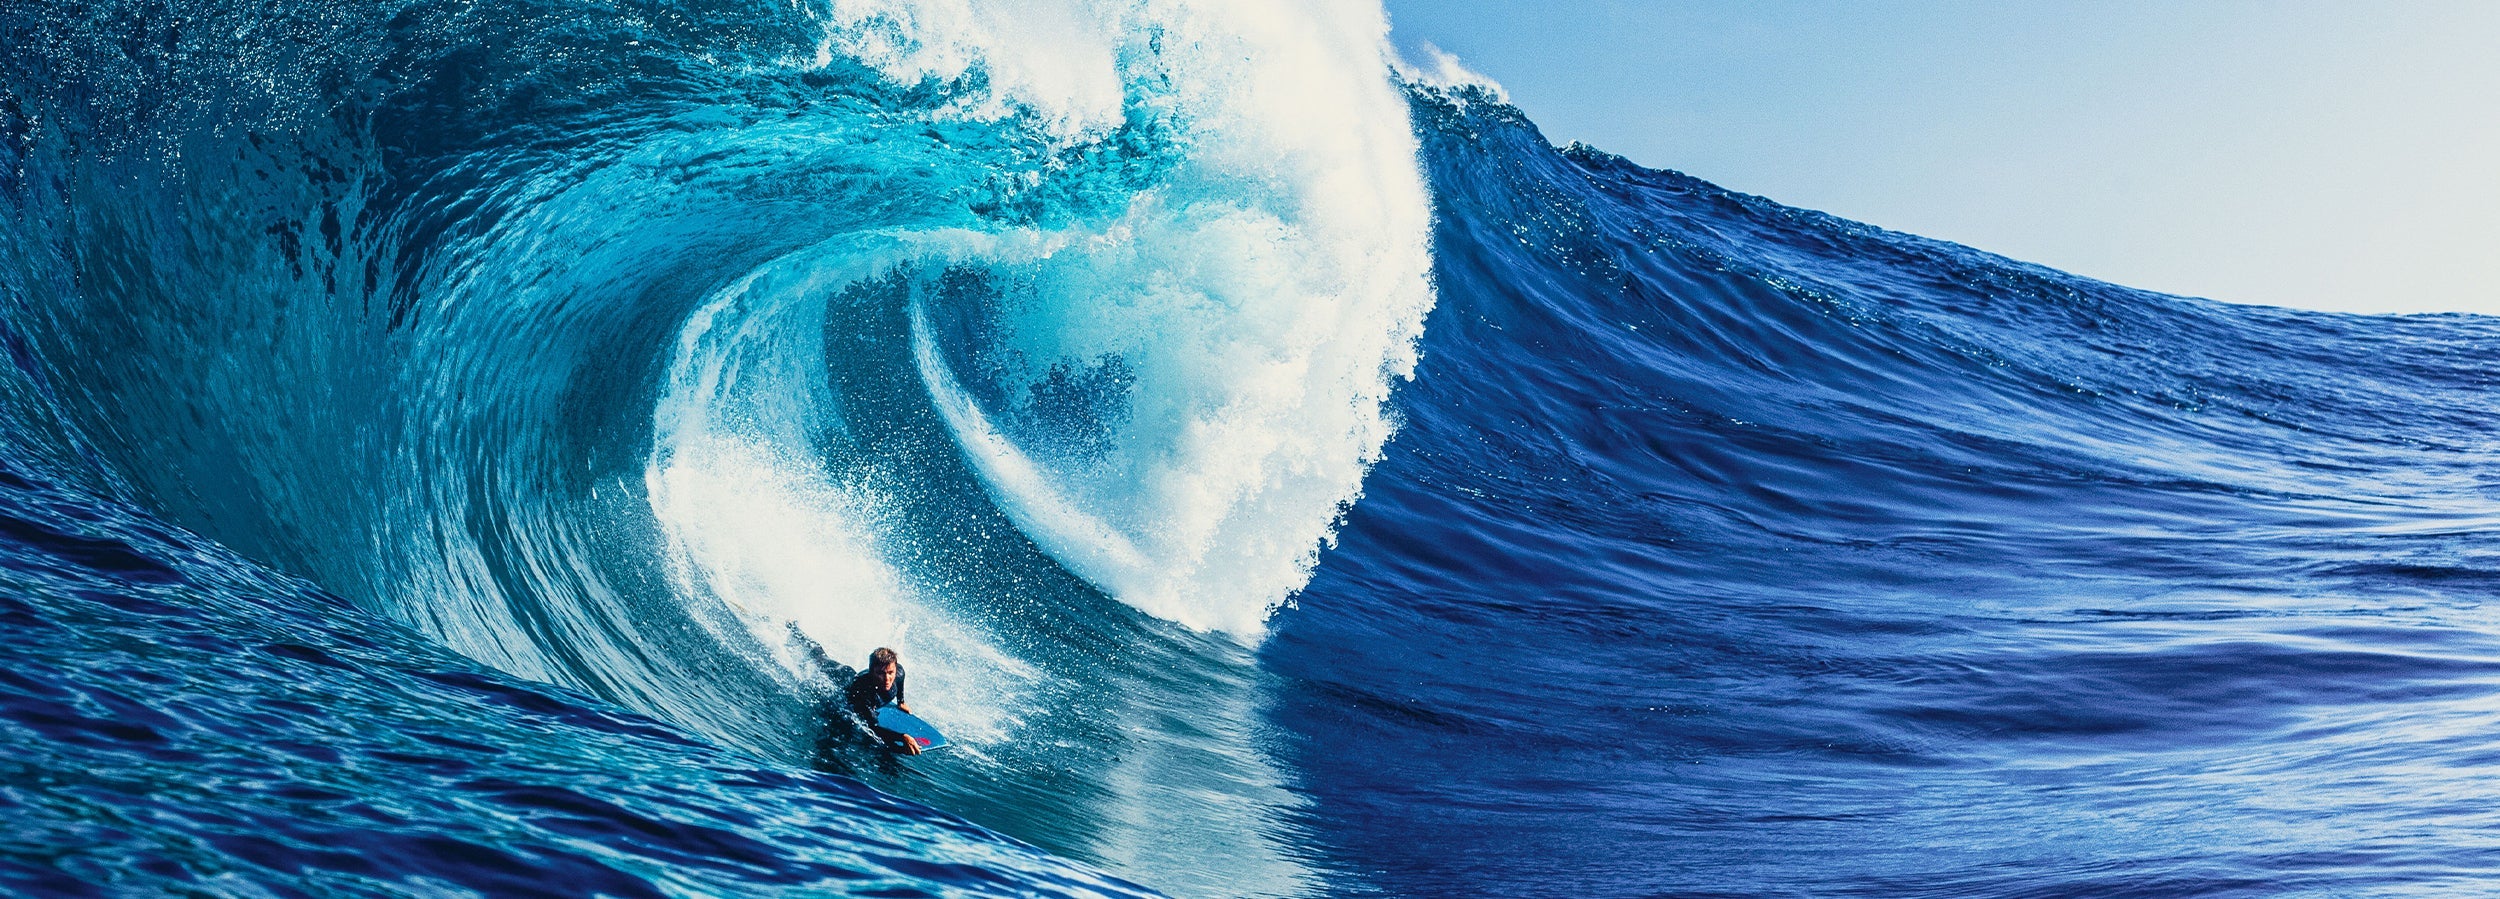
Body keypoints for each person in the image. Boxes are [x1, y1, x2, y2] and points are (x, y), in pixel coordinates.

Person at [845, 646, 919, 755]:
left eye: (890, 672)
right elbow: (873, 728)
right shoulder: (864, 693)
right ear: (871, 672)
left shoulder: (898, 672)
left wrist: (901, 702)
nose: (887, 679)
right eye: (880, 673)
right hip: (845, 679)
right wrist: (902, 737)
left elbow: (900, 679)